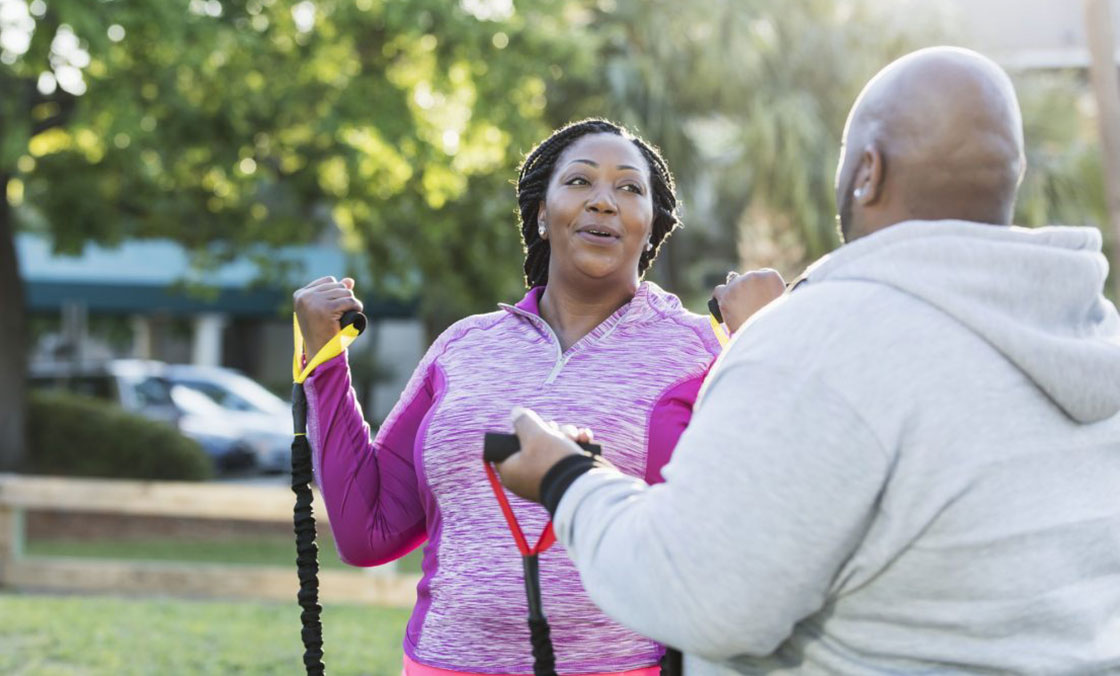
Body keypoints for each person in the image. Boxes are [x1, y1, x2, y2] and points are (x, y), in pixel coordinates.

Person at [494, 47, 1120, 673]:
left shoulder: (823, 340)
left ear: (867, 173)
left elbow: (696, 592)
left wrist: (566, 478)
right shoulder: (1091, 338)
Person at [293, 119, 730, 675]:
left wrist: (766, 331)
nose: (603, 202)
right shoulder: (462, 348)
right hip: (442, 664)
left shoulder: (703, 351)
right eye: (579, 182)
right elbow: (368, 531)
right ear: (542, 214)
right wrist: (325, 362)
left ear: (652, 225)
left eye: (628, 188)